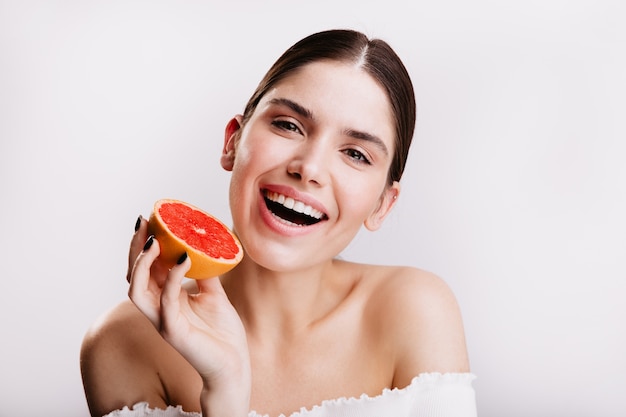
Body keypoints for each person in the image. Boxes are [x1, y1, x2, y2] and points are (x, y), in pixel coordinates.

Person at [80, 29, 477, 417]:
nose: (309, 168)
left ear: (382, 205)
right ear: (232, 142)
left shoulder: (416, 310)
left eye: (356, 153)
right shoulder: (122, 343)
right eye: (289, 125)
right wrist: (226, 385)